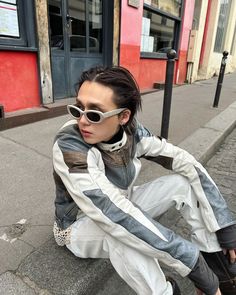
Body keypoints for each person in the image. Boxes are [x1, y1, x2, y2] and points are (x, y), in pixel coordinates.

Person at [52, 66, 236, 295]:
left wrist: (225, 226)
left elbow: (184, 161)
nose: (82, 121)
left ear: (123, 116)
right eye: (78, 109)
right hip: (77, 226)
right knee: (121, 235)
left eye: (94, 114)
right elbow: (112, 214)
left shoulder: (133, 132)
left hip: (124, 203)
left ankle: (219, 272)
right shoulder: (69, 145)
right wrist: (191, 261)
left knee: (183, 184)